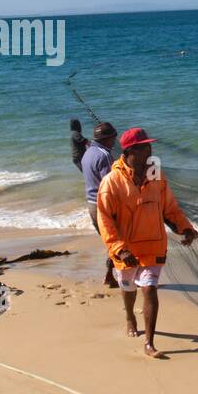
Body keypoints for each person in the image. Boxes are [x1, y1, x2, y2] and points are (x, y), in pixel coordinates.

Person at [97, 127, 198, 358]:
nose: (149, 151)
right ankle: (130, 316)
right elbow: (104, 220)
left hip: (153, 244)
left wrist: (186, 228)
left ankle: (149, 342)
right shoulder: (111, 182)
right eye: (144, 148)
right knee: (129, 287)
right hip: (126, 250)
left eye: (150, 147)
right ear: (130, 151)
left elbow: (170, 208)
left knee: (150, 288)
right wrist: (119, 249)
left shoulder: (157, 176)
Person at [81, 121, 118, 288]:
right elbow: (110, 184)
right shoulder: (104, 155)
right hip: (104, 206)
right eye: (113, 138)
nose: (115, 141)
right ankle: (114, 276)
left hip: (91, 204)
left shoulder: (88, 153)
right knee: (118, 240)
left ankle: (110, 275)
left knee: (110, 241)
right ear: (108, 138)